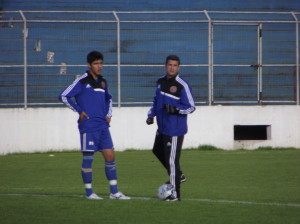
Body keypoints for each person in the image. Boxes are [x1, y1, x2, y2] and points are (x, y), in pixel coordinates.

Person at [58, 51, 130, 200]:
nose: (99, 66)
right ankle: (89, 193)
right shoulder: (82, 81)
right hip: (88, 126)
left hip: (103, 126)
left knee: (110, 156)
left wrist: (109, 114)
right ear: (89, 65)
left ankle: (114, 192)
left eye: (101, 63)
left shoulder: (103, 82)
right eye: (96, 63)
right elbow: (64, 96)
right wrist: (79, 111)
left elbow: (109, 99)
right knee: (88, 159)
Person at [146, 55, 195, 201]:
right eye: (169, 65)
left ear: (178, 67)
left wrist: (176, 109)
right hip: (161, 128)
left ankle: (174, 194)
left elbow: (191, 107)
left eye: (175, 65)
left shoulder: (182, 85)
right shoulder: (160, 82)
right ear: (165, 66)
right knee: (157, 151)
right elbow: (156, 101)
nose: (172, 67)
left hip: (174, 130)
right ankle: (178, 175)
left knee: (172, 162)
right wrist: (151, 115)